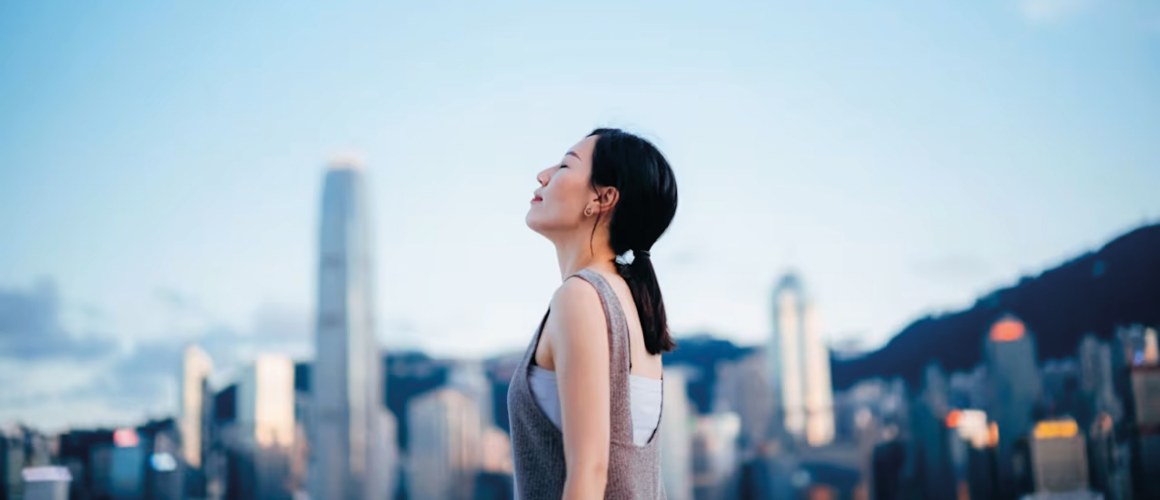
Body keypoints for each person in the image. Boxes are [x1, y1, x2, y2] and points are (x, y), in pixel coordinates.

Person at [507, 128, 678, 499]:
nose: (543, 175)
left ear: (603, 198)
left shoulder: (581, 297)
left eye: (566, 165)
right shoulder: (632, 302)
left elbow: (591, 470)